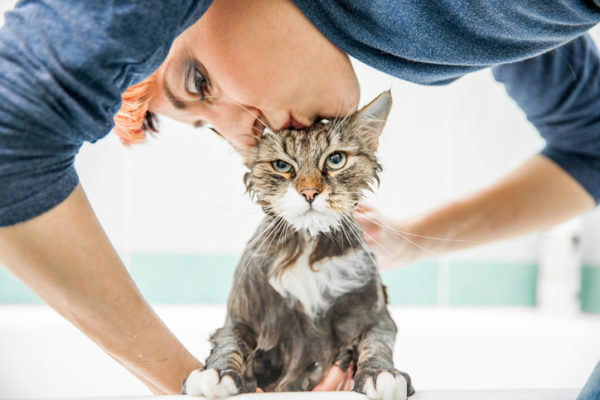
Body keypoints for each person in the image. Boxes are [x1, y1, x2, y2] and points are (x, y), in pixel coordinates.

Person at [0, 0, 598, 398]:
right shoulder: (432, 37)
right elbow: (590, 144)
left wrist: (186, 385)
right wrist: (405, 241)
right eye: (208, 126)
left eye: (198, 82)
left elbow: (10, 136)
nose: (244, 139)